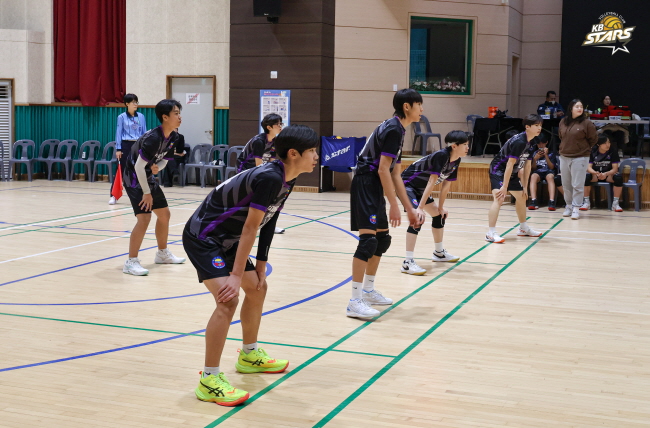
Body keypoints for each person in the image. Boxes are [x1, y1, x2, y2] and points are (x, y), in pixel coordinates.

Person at [183, 125, 319, 406]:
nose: (317, 156)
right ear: (293, 154)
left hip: (229, 239)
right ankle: (209, 380)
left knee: (257, 288)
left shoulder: (287, 177)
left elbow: (270, 219)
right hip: (204, 237)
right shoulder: (270, 177)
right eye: (312, 151)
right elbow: (250, 227)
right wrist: (235, 276)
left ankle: (249, 355)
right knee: (228, 300)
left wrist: (261, 264)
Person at [347, 88, 424, 319]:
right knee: (368, 242)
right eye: (419, 105)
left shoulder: (398, 129)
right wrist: (393, 205)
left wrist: (409, 209)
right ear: (407, 107)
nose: (422, 109)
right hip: (365, 183)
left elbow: (395, 174)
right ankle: (354, 301)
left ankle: (368, 291)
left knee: (382, 240)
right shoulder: (393, 129)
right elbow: (383, 170)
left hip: (374, 184)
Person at [121, 99, 186, 276]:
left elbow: (164, 160)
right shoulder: (153, 138)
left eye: (179, 113)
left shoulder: (174, 137)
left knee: (164, 215)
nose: (179, 117)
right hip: (133, 178)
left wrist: (158, 168)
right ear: (165, 117)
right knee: (144, 218)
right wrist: (146, 193)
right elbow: (138, 167)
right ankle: (131, 262)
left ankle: (162, 254)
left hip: (146, 176)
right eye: (176, 113)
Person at [400, 130, 469, 275]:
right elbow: (432, 182)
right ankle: (407, 262)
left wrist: (441, 207)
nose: (467, 148)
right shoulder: (441, 156)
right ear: (454, 146)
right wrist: (419, 208)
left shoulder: (456, 160)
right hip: (407, 186)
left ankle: (439, 253)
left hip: (420, 189)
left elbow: (446, 185)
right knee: (417, 219)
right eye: (465, 145)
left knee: (439, 216)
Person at [486, 114, 544, 243]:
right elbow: (510, 164)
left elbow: (527, 165)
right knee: (499, 198)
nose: (539, 128)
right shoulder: (519, 142)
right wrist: (504, 186)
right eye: (536, 125)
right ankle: (490, 233)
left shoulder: (532, 141)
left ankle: (523, 228)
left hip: (512, 171)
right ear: (527, 127)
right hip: (499, 170)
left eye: (540, 125)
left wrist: (525, 186)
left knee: (522, 197)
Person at [237, 113, 286, 234]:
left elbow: (272, 161)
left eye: (281, 123)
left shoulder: (274, 141)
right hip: (246, 171)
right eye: (278, 124)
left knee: (271, 197)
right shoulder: (259, 141)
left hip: (260, 171)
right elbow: (258, 164)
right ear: (269, 127)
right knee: (253, 199)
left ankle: (268, 225)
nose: (281, 126)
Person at [559, 99, 598, 220]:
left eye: (581, 106)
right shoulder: (563, 121)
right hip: (564, 156)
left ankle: (576, 208)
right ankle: (568, 206)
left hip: (580, 157)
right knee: (566, 184)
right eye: (577, 106)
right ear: (571, 108)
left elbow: (594, 139)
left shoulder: (587, 123)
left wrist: (583, 149)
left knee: (577, 184)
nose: (580, 109)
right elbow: (561, 136)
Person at [109, 93, 147, 205]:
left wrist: (144, 146)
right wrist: (118, 149)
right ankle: (114, 195)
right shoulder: (121, 117)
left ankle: (140, 195)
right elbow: (118, 133)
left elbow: (144, 132)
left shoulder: (141, 116)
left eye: (136, 102)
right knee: (121, 170)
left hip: (138, 145)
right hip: (126, 145)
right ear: (127, 104)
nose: (136, 104)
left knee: (139, 170)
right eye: (133, 102)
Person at [580, 134, 624, 212]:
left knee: (618, 177)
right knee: (585, 177)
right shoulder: (592, 151)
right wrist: (595, 173)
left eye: (609, 142)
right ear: (598, 144)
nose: (608, 145)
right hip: (595, 175)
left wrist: (606, 174)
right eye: (605, 143)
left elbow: (615, 168)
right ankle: (586, 202)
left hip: (608, 175)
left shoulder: (613, 151)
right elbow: (588, 167)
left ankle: (615, 203)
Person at [527, 134, 559, 211]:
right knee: (533, 176)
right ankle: (534, 200)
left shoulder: (552, 153)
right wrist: (535, 159)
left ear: (546, 142)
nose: (541, 145)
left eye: (543, 143)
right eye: (539, 144)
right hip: (538, 171)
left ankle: (551, 201)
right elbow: (533, 168)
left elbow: (551, 167)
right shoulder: (534, 153)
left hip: (549, 171)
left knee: (550, 177)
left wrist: (546, 155)